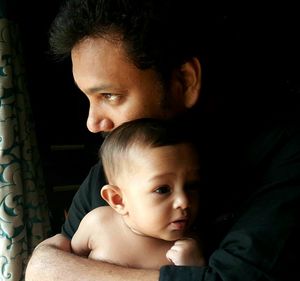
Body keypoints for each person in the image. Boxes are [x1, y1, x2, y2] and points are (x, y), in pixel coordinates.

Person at [25, 1, 300, 281]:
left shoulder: (282, 152)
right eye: (89, 98)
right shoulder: (115, 168)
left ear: (184, 81)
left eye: (110, 96)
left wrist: (51, 267)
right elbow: (52, 260)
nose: (93, 123)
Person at [71, 118, 205, 269]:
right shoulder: (97, 223)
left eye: (191, 186)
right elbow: (66, 265)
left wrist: (195, 267)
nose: (184, 201)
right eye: (162, 190)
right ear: (118, 199)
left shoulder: (189, 247)